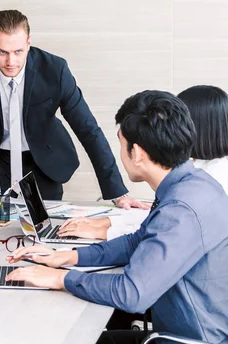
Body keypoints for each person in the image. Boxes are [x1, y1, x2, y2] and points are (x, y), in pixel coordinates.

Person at [6, 90, 228, 343]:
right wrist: (69, 257)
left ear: (137, 153)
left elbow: (131, 293)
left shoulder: (181, 209)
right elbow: (137, 241)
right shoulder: (195, 184)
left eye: (121, 145)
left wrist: (60, 278)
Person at [0, 9, 145, 210]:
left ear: (29, 43)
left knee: (41, 229)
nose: (10, 61)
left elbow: (88, 130)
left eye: (18, 51)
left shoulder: (55, 71)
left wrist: (118, 192)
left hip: (43, 162)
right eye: (2, 52)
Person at [57, 85, 228, 241]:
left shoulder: (210, 180)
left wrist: (103, 231)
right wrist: (106, 222)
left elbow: (166, 233)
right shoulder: (197, 168)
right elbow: (156, 220)